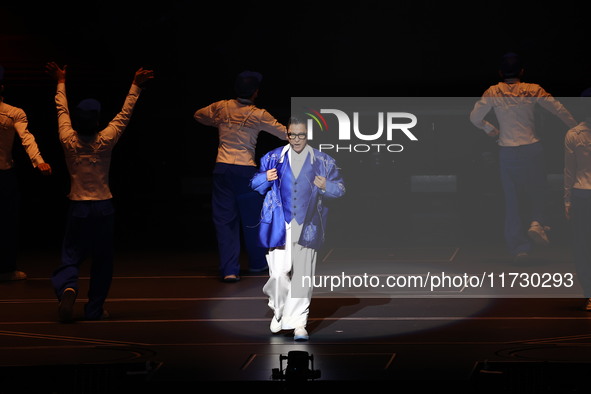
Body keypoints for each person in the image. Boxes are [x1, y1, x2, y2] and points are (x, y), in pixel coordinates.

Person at [45, 61, 154, 322]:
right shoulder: (105, 139)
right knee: (103, 260)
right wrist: (136, 86)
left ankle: (69, 286)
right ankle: (94, 309)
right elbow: (124, 114)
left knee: (70, 254)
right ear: (96, 120)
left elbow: (61, 110)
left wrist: (60, 81)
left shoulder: (67, 139)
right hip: (103, 207)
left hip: (78, 206)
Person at [470, 52, 578, 262]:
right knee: (539, 190)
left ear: (501, 72)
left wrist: (489, 128)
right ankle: (538, 221)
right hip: (532, 147)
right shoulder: (533, 89)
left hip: (508, 150)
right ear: (522, 71)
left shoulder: (493, 91)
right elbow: (558, 109)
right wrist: (577, 128)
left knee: (512, 199)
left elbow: (474, 117)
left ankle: (520, 248)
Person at [250, 114, 346, 341]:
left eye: (301, 135)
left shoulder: (323, 161)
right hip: (279, 224)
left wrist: (326, 186)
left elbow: (341, 189)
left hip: (308, 225)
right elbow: (254, 184)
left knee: (303, 276)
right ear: (287, 135)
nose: (296, 139)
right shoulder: (273, 157)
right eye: (292, 135)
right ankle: (279, 310)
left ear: (307, 135)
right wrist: (265, 177)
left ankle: (299, 323)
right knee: (278, 274)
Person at [194, 70, 287, 282]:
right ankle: (256, 264)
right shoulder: (258, 114)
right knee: (253, 219)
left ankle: (229, 270)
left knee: (225, 221)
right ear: (255, 92)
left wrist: (216, 122)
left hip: (223, 169)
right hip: (245, 170)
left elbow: (198, 115)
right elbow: (284, 134)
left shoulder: (221, 107)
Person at [0, 64, 52, 282]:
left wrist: (38, 160)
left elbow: (26, 137)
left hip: (4, 174)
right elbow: (27, 138)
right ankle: (7, 268)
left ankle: (7, 268)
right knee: (7, 222)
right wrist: (38, 160)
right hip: (4, 175)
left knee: (8, 222)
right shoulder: (13, 112)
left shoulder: (13, 113)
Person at [564, 87, 591, 310]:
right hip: (582, 194)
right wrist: (568, 199)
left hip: (581, 195)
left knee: (583, 246)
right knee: (582, 246)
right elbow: (569, 170)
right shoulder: (574, 134)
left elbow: (569, 171)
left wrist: (567, 200)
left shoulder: (574, 134)